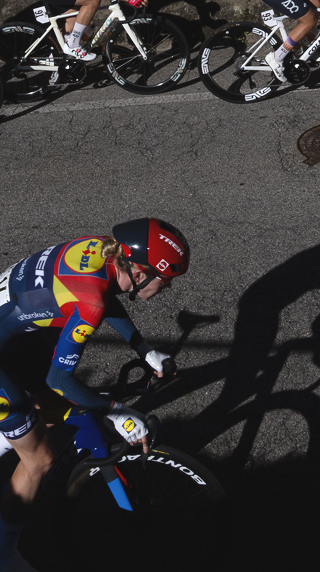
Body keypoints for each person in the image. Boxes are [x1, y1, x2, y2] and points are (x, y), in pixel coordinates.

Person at [0, 218, 189, 571]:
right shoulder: (91, 303)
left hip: (12, 331)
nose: (166, 289)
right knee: (40, 458)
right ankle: (4, 558)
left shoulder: (103, 249)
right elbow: (60, 378)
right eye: (165, 282)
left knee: (50, 404)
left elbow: (105, 294)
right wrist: (116, 411)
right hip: (9, 339)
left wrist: (144, 350)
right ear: (139, 272)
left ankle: (12, 432)